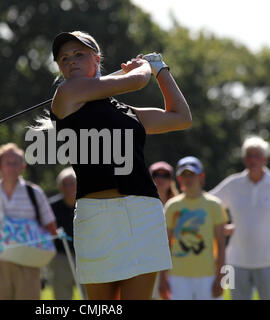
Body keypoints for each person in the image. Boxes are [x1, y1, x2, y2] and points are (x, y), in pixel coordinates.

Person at [44, 31, 192, 299]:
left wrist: (159, 68)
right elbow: (136, 82)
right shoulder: (66, 93)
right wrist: (144, 67)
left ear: (96, 59)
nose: (71, 61)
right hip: (96, 216)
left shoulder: (126, 112)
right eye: (63, 58)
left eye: (79, 54)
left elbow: (180, 117)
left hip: (143, 211)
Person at [0, 143, 57, 300]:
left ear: (23, 167)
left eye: (16, 163)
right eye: (8, 163)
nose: (12, 167)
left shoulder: (35, 193)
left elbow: (51, 227)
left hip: (29, 263)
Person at [209, 136, 270, 300]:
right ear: (244, 159)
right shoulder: (233, 184)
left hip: (267, 262)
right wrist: (220, 228)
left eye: (257, 155)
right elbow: (208, 204)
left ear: (265, 159)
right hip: (235, 261)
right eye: (249, 155)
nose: (253, 159)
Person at [159, 156, 227, 300]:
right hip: (177, 276)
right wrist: (162, 278)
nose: (188, 179)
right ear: (178, 179)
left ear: (201, 177)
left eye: (192, 175)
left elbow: (221, 245)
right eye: (184, 175)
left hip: (208, 275)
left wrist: (221, 276)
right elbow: (165, 245)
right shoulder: (172, 206)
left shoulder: (214, 205)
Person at [48, 167, 80, 300]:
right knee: (61, 295)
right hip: (61, 256)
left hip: (84, 255)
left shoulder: (86, 204)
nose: (68, 187)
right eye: (64, 184)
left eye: (72, 183)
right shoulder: (52, 206)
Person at [148, 161, 179, 299]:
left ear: (171, 180)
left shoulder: (180, 205)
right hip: (149, 262)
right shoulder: (141, 205)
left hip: (177, 262)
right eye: (156, 175)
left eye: (165, 175)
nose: (160, 179)